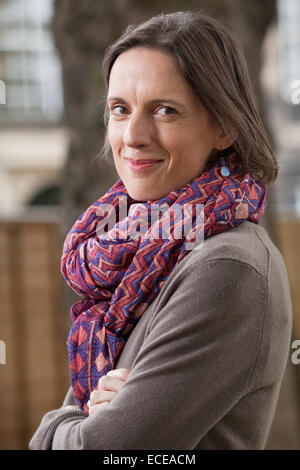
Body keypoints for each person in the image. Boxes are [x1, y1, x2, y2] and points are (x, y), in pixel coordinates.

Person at [29, 10, 293, 450]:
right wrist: (91, 417)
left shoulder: (226, 266)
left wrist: (55, 429)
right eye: (120, 109)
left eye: (165, 110)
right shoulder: (140, 254)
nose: (133, 135)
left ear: (224, 126)